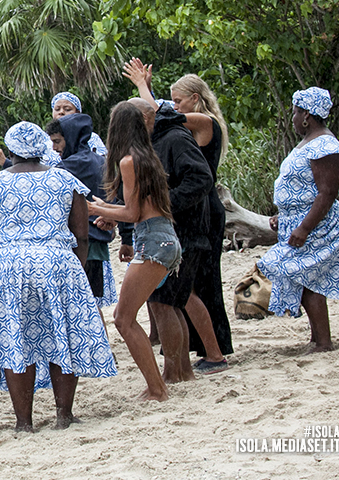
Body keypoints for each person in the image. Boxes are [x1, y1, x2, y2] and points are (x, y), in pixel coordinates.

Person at [0, 122, 116, 431]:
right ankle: (63, 413)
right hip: (58, 262)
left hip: (9, 267)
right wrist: (77, 270)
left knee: (16, 338)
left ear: (11, 149)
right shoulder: (64, 180)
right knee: (62, 335)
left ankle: (23, 421)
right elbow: (81, 235)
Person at [124, 59, 233, 366]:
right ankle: (207, 351)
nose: (173, 105)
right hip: (191, 206)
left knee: (194, 287)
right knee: (187, 289)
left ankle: (214, 351)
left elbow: (160, 116)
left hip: (201, 209)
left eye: (178, 100)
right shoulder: (181, 126)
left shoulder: (202, 121)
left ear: (195, 99)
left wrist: (143, 88)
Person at [257, 87, 339, 353]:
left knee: (306, 278)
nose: (292, 118)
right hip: (297, 221)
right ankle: (318, 338)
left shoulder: (324, 145)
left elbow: (327, 192)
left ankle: (324, 342)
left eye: (295, 113)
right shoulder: (310, 142)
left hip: (314, 224)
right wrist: (282, 216)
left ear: (307, 115)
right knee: (305, 279)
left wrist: (304, 227)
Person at [88, 101, 180, 402]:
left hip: (153, 241)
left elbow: (133, 212)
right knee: (154, 310)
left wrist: (93, 207)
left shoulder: (128, 162)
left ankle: (157, 389)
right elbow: (141, 210)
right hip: (163, 237)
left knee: (123, 319)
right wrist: (109, 213)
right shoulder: (147, 156)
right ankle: (165, 381)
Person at [127, 98, 217, 381]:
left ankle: (174, 373)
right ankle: (182, 371)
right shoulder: (154, 142)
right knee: (170, 301)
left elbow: (202, 178)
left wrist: (166, 205)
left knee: (164, 302)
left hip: (184, 231)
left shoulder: (175, 138)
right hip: (175, 231)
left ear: (144, 120)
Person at [54, 113, 119, 311]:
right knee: (93, 306)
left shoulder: (69, 165)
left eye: (58, 141)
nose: (55, 148)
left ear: (71, 137)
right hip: (98, 242)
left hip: (82, 245)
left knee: (83, 307)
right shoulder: (100, 161)